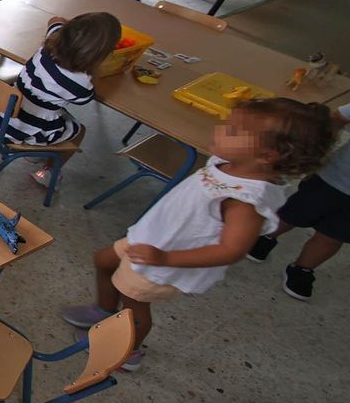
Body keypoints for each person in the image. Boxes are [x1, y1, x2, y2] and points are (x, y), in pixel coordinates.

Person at [62, 98, 335, 370]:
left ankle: (127, 351)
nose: (219, 130)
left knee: (133, 308)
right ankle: (103, 311)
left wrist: (164, 258)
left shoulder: (245, 200)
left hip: (163, 259)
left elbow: (231, 251)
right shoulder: (231, 162)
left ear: (267, 155)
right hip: (150, 239)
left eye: (232, 131)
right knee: (103, 261)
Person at [0, 12, 121, 187]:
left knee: (51, 108)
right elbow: (85, 99)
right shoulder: (81, 85)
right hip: (22, 129)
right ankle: (48, 173)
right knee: (79, 130)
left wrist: (67, 26)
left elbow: (55, 20)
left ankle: (34, 152)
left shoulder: (47, 48)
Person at [248, 104, 350, 300]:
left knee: (333, 236)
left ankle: (302, 268)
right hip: (333, 178)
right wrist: (320, 149)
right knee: (293, 214)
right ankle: (266, 237)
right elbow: (338, 117)